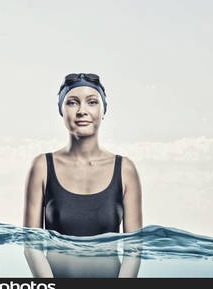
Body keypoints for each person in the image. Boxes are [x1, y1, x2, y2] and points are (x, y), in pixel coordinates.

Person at [22, 73, 142, 277]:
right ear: (61, 110)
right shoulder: (42, 167)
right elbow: (31, 248)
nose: (82, 111)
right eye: (72, 103)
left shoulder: (125, 169)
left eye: (92, 102)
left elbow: (134, 251)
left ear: (103, 110)